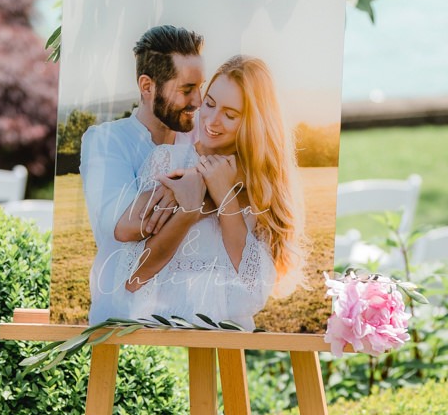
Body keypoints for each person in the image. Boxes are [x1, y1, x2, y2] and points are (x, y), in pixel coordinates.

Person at [118, 56, 301, 329]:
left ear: (255, 123)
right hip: (159, 338)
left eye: (230, 115)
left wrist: (225, 194)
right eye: (210, 103)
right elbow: (132, 276)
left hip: (228, 342)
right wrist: (192, 205)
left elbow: (253, 292)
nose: (212, 121)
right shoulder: (167, 162)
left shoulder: (261, 187)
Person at [80, 25, 205, 322]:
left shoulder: (203, 134)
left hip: (196, 311)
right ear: (147, 87)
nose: (198, 101)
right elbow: (123, 224)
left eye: (200, 88)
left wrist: (196, 185)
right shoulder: (105, 140)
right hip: (122, 313)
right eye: (187, 89)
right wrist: (192, 188)